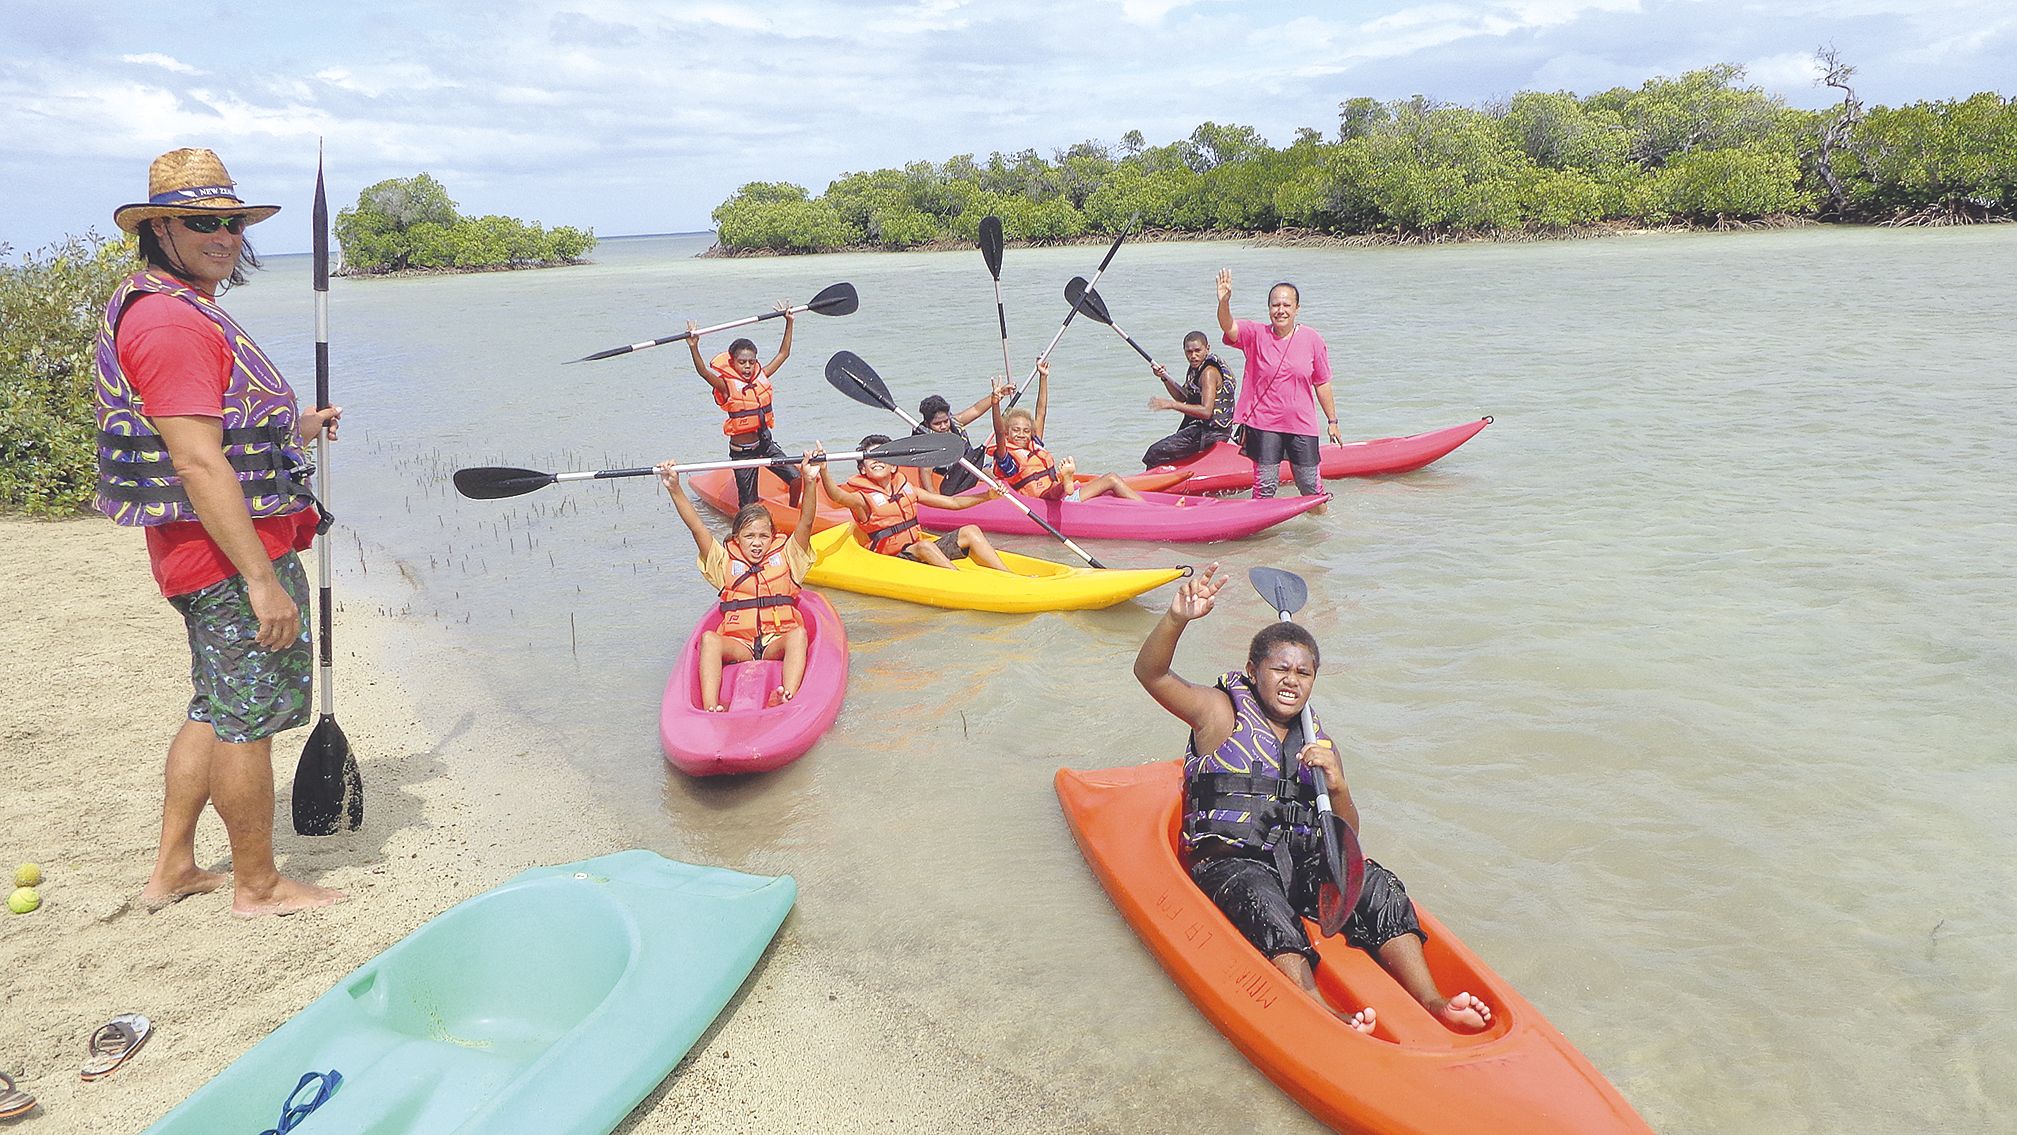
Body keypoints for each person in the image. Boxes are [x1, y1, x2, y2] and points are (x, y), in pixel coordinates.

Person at [96, 147, 345, 918]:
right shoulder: (170, 321)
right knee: (249, 719)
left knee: (213, 705)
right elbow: (199, 463)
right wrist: (261, 580)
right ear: (160, 228)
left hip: (199, 556)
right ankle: (258, 885)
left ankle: (173, 868)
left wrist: (291, 430)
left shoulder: (164, 301)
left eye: (231, 222)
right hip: (229, 560)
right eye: (204, 222)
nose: (225, 236)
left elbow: (213, 432)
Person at [1133, 564, 1493, 1033]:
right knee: (1264, 901)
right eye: (1280, 668)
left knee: (1376, 883)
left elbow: (1346, 838)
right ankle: (1319, 1010)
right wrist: (1177, 618)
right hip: (1229, 866)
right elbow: (1150, 673)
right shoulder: (1218, 713)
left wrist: (1339, 785)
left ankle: (1432, 999)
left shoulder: (1317, 742)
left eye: (1304, 672)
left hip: (1293, 864)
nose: (1292, 680)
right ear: (1252, 671)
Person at [659, 449, 820, 711]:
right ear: (736, 539)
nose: (757, 544)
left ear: (772, 537)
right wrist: (674, 488)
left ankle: (788, 696)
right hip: (740, 645)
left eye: (763, 537)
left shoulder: (789, 558)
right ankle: (711, 708)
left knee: (798, 635)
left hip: (775, 641)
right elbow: (697, 527)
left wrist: (809, 481)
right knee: (710, 639)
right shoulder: (724, 564)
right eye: (749, 537)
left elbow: (806, 522)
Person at [1216, 271, 1342, 514]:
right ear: (1268, 308)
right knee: (1265, 486)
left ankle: (1323, 535)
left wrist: (1332, 421)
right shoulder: (1255, 334)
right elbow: (1228, 326)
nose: (1280, 310)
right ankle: (1262, 542)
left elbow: (1322, 383)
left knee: (1310, 487)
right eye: (1275, 305)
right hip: (1264, 424)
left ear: (1297, 308)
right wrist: (1224, 301)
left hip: (1301, 425)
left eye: (1286, 305)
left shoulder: (1312, 339)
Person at [819, 435, 1015, 571]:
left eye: (882, 455)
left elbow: (953, 503)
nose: (877, 460)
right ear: (863, 469)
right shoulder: (862, 500)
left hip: (916, 552)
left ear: (894, 465)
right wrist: (823, 471)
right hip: (891, 562)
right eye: (871, 457)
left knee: (970, 530)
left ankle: (1009, 576)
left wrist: (987, 496)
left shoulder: (909, 489)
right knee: (925, 547)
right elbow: (837, 496)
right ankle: (960, 581)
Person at [684, 305, 800, 508]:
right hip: (743, 452)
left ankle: (792, 510)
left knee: (796, 478)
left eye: (751, 362)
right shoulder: (726, 386)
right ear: (733, 362)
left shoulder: (761, 374)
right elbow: (703, 372)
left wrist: (789, 322)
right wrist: (693, 346)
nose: (747, 367)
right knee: (749, 504)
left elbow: (784, 353)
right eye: (742, 362)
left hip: (765, 444)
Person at [986, 359, 1145, 503]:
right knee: (1055, 492)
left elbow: (1041, 413)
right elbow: (998, 432)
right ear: (1007, 433)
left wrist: (1043, 377)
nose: (1021, 434)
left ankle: (1148, 509)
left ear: (1031, 433)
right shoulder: (1006, 459)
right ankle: (1065, 483)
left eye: (1026, 430)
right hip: (1043, 505)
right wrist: (995, 403)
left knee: (1112, 478)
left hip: (1063, 497)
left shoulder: (1034, 444)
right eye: (1016, 430)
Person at [1142, 331, 1237, 467]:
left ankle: (1152, 485)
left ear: (1207, 348)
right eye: (1189, 352)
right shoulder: (1195, 368)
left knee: (1154, 453)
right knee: (1161, 450)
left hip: (1213, 432)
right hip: (1201, 428)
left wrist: (1171, 405)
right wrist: (1164, 377)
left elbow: (1206, 411)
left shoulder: (1208, 373)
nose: (1193, 356)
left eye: (1197, 351)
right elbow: (1181, 397)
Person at [910, 380, 1010, 494]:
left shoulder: (955, 422)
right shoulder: (928, 444)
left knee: (992, 473)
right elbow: (926, 472)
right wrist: (936, 500)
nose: (943, 426)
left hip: (969, 471)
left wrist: (997, 396)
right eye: (937, 424)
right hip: (951, 482)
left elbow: (976, 410)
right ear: (927, 424)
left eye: (945, 421)